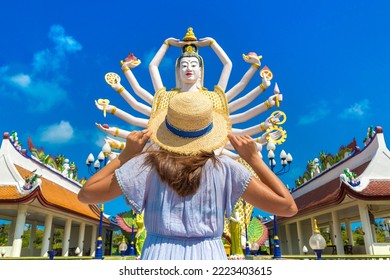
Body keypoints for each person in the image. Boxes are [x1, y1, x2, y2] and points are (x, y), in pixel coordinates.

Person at [78, 91, 298, 260]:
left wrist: (125, 155)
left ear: (167, 130)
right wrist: (254, 160)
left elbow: (86, 194)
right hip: (210, 256)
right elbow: (287, 207)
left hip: (157, 257)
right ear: (209, 130)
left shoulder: (145, 166)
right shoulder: (226, 168)